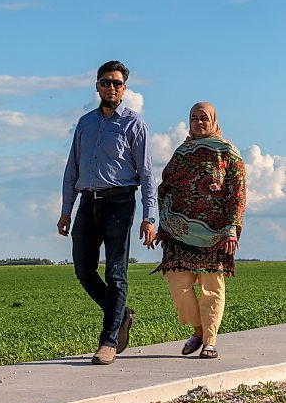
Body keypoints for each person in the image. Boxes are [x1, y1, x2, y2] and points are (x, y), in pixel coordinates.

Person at [57, 60, 157, 365]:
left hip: (120, 202)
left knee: (116, 272)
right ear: (97, 86)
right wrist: (66, 211)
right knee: (84, 271)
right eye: (105, 82)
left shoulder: (133, 124)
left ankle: (109, 341)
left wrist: (149, 217)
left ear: (124, 88)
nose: (110, 88)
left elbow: (147, 174)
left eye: (116, 83)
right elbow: (72, 169)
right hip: (88, 203)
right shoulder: (85, 123)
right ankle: (121, 314)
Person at [153, 102, 246, 358]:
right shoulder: (182, 152)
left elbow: (237, 193)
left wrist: (231, 228)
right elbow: (165, 188)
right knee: (177, 283)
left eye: (203, 118)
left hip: (215, 234)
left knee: (211, 288)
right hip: (179, 232)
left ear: (213, 120)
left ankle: (210, 341)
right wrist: (163, 224)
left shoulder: (228, 152)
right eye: (193, 118)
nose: (198, 122)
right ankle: (198, 329)